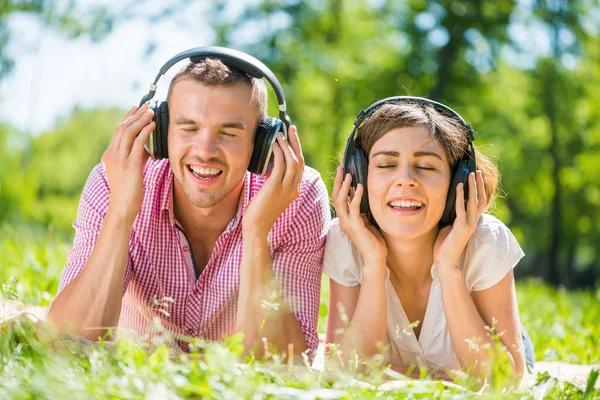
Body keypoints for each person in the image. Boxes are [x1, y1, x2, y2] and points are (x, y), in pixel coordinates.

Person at [47, 47, 330, 361]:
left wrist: (257, 233)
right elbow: (65, 340)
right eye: (189, 128)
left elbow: (287, 362)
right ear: (160, 130)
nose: (206, 150)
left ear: (263, 144)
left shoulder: (297, 194)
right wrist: (122, 212)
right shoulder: (113, 180)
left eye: (229, 132)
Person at [324, 96, 534, 382]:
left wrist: (449, 267)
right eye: (386, 165)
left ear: (457, 183)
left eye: (427, 166)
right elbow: (342, 374)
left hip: (505, 342)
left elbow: (505, 381)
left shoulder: (486, 240)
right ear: (359, 176)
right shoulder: (345, 239)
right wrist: (373, 263)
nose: (406, 179)